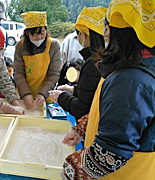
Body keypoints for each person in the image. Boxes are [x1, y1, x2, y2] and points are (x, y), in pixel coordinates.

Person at [61, 1, 155, 179]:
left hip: (127, 174)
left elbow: (111, 152)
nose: (105, 33)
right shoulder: (124, 66)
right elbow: (111, 112)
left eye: (107, 27)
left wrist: (70, 170)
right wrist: (81, 129)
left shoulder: (131, 79)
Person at [49, 7, 105, 120]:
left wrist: (61, 97)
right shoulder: (104, 58)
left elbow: (81, 109)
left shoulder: (92, 64)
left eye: (79, 33)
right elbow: (91, 96)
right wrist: (73, 90)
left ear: (84, 35)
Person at [14, 11, 61, 109]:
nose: (39, 38)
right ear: (27, 34)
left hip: (45, 95)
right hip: (24, 95)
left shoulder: (53, 46)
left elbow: (53, 74)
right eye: (34, 35)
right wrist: (26, 94)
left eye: (42, 33)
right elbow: (18, 73)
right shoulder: (20, 46)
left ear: (46, 30)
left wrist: (43, 94)